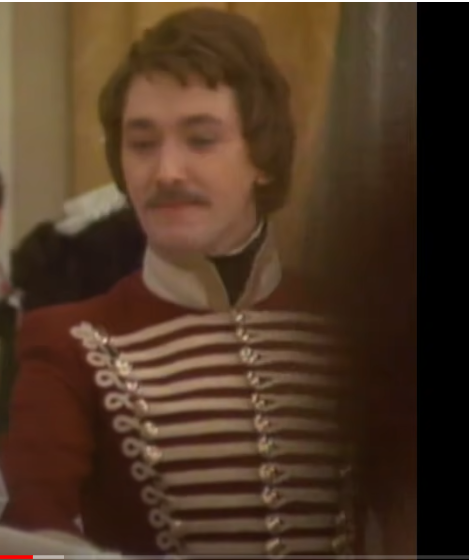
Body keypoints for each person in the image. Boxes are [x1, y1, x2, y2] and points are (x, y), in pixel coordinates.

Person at [0, 8, 354, 556]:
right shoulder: (66, 342)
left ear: (261, 156)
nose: (166, 171)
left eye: (201, 140)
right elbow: (20, 546)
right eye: (143, 144)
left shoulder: (355, 326)